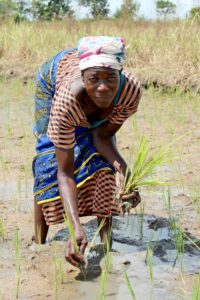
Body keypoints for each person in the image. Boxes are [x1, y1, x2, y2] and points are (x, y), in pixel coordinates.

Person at [32, 36, 142, 267]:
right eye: (94, 80)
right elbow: (65, 173)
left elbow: (102, 136)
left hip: (86, 108)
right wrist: (75, 229)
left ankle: (106, 244)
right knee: (47, 165)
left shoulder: (129, 92)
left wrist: (125, 172)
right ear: (83, 78)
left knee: (102, 165)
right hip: (52, 80)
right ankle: (39, 242)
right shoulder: (65, 101)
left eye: (111, 78)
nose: (103, 87)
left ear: (120, 74)